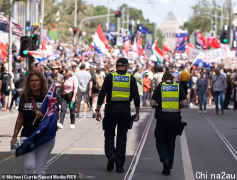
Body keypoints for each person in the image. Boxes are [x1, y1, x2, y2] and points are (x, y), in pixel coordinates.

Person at [95, 58, 140, 173]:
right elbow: (136, 96)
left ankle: (111, 155)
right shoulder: (131, 78)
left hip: (111, 110)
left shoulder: (110, 77)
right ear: (126, 67)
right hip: (125, 111)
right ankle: (120, 165)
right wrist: (137, 112)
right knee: (122, 137)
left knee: (109, 134)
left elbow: (102, 93)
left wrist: (98, 109)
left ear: (116, 66)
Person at [10, 71, 55, 175]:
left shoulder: (48, 98)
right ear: (28, 83)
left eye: (37, 80)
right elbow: (20, 118)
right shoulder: (24, 97)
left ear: (41, 82)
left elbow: (55, 116)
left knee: (40, 167)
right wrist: (14, 135)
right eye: (31, 81)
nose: (34, 83)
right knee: (29, 166)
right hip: (28, 135)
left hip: (45, 136)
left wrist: (43, 115)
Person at [150, 72, 187, 175]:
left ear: (163, 79)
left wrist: (159, 106)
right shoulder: (178, 86)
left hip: (163, 118)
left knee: (160, 141)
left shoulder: (160, 87)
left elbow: (152, 103)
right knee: (171, 142)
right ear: (172, 79)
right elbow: (184, 103)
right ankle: (168, 165)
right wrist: (176, 106)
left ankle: (164, 158)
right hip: (175, 118)